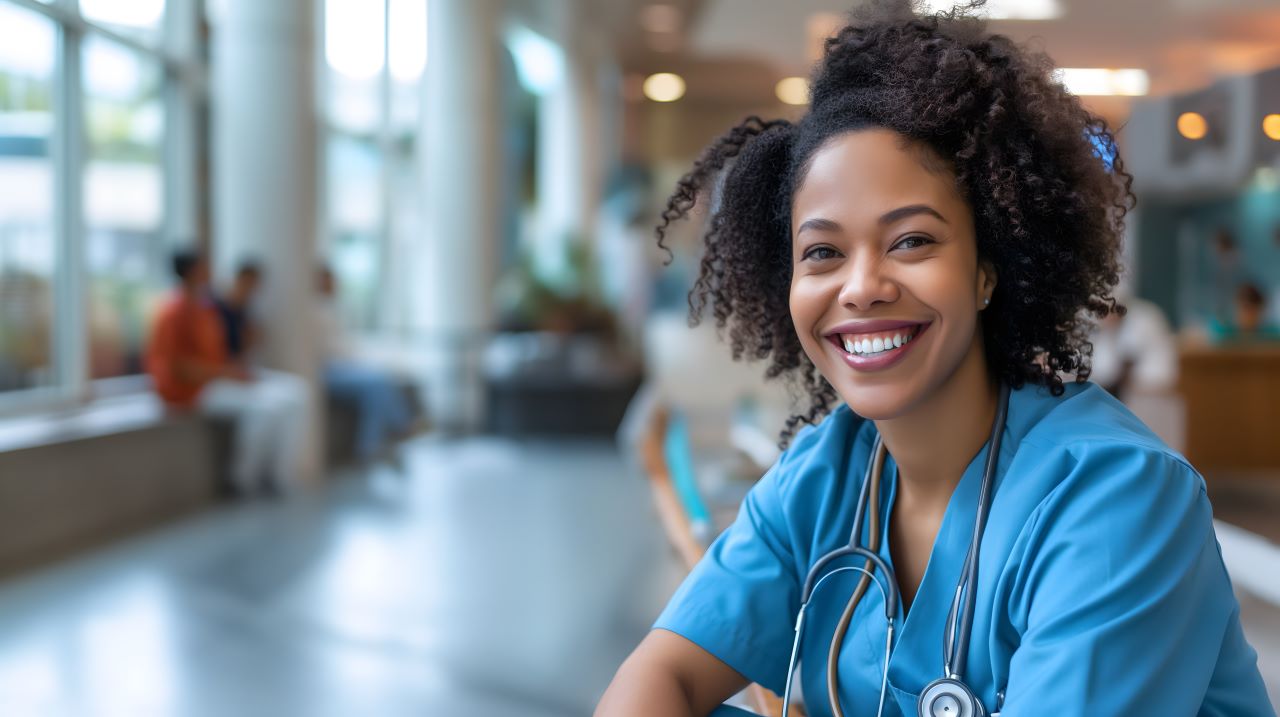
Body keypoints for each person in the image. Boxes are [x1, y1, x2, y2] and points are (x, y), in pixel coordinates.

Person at [595, 2, 1275, 716]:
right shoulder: (827, 476)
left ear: (989, 268)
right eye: (823, 252)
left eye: (912, 241)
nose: (861, 286)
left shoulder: (1118, 499)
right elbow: (657, 678)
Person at [146, 249, 310, 496]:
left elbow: (218, 354)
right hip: (190, 391)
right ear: (193, 272)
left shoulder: (203, 308)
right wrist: (226, 374)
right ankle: (243, 479)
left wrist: (234, 369)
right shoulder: (173, 312)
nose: (211, 271)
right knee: (266, 408)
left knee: (295, 392)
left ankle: (277, 474)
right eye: (205, 266)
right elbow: (177, 368)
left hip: (216, 380)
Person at [316, 265, 415, 464]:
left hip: (344, 366)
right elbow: (330, 351)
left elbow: (344, 347)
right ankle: (400, 427)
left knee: (379, 385)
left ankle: (375, 442)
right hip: (328, 370)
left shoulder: (333, 309)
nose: (334, 285)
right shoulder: (313, 311)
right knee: (378, 383)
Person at [215, 260, 262, 361]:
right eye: (248, 282)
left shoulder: (243, 309)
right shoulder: (218, 306)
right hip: (217, 363)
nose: (250, 288)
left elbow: (241, 345)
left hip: (232, 364)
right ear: (239, 280)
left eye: (253, 285)